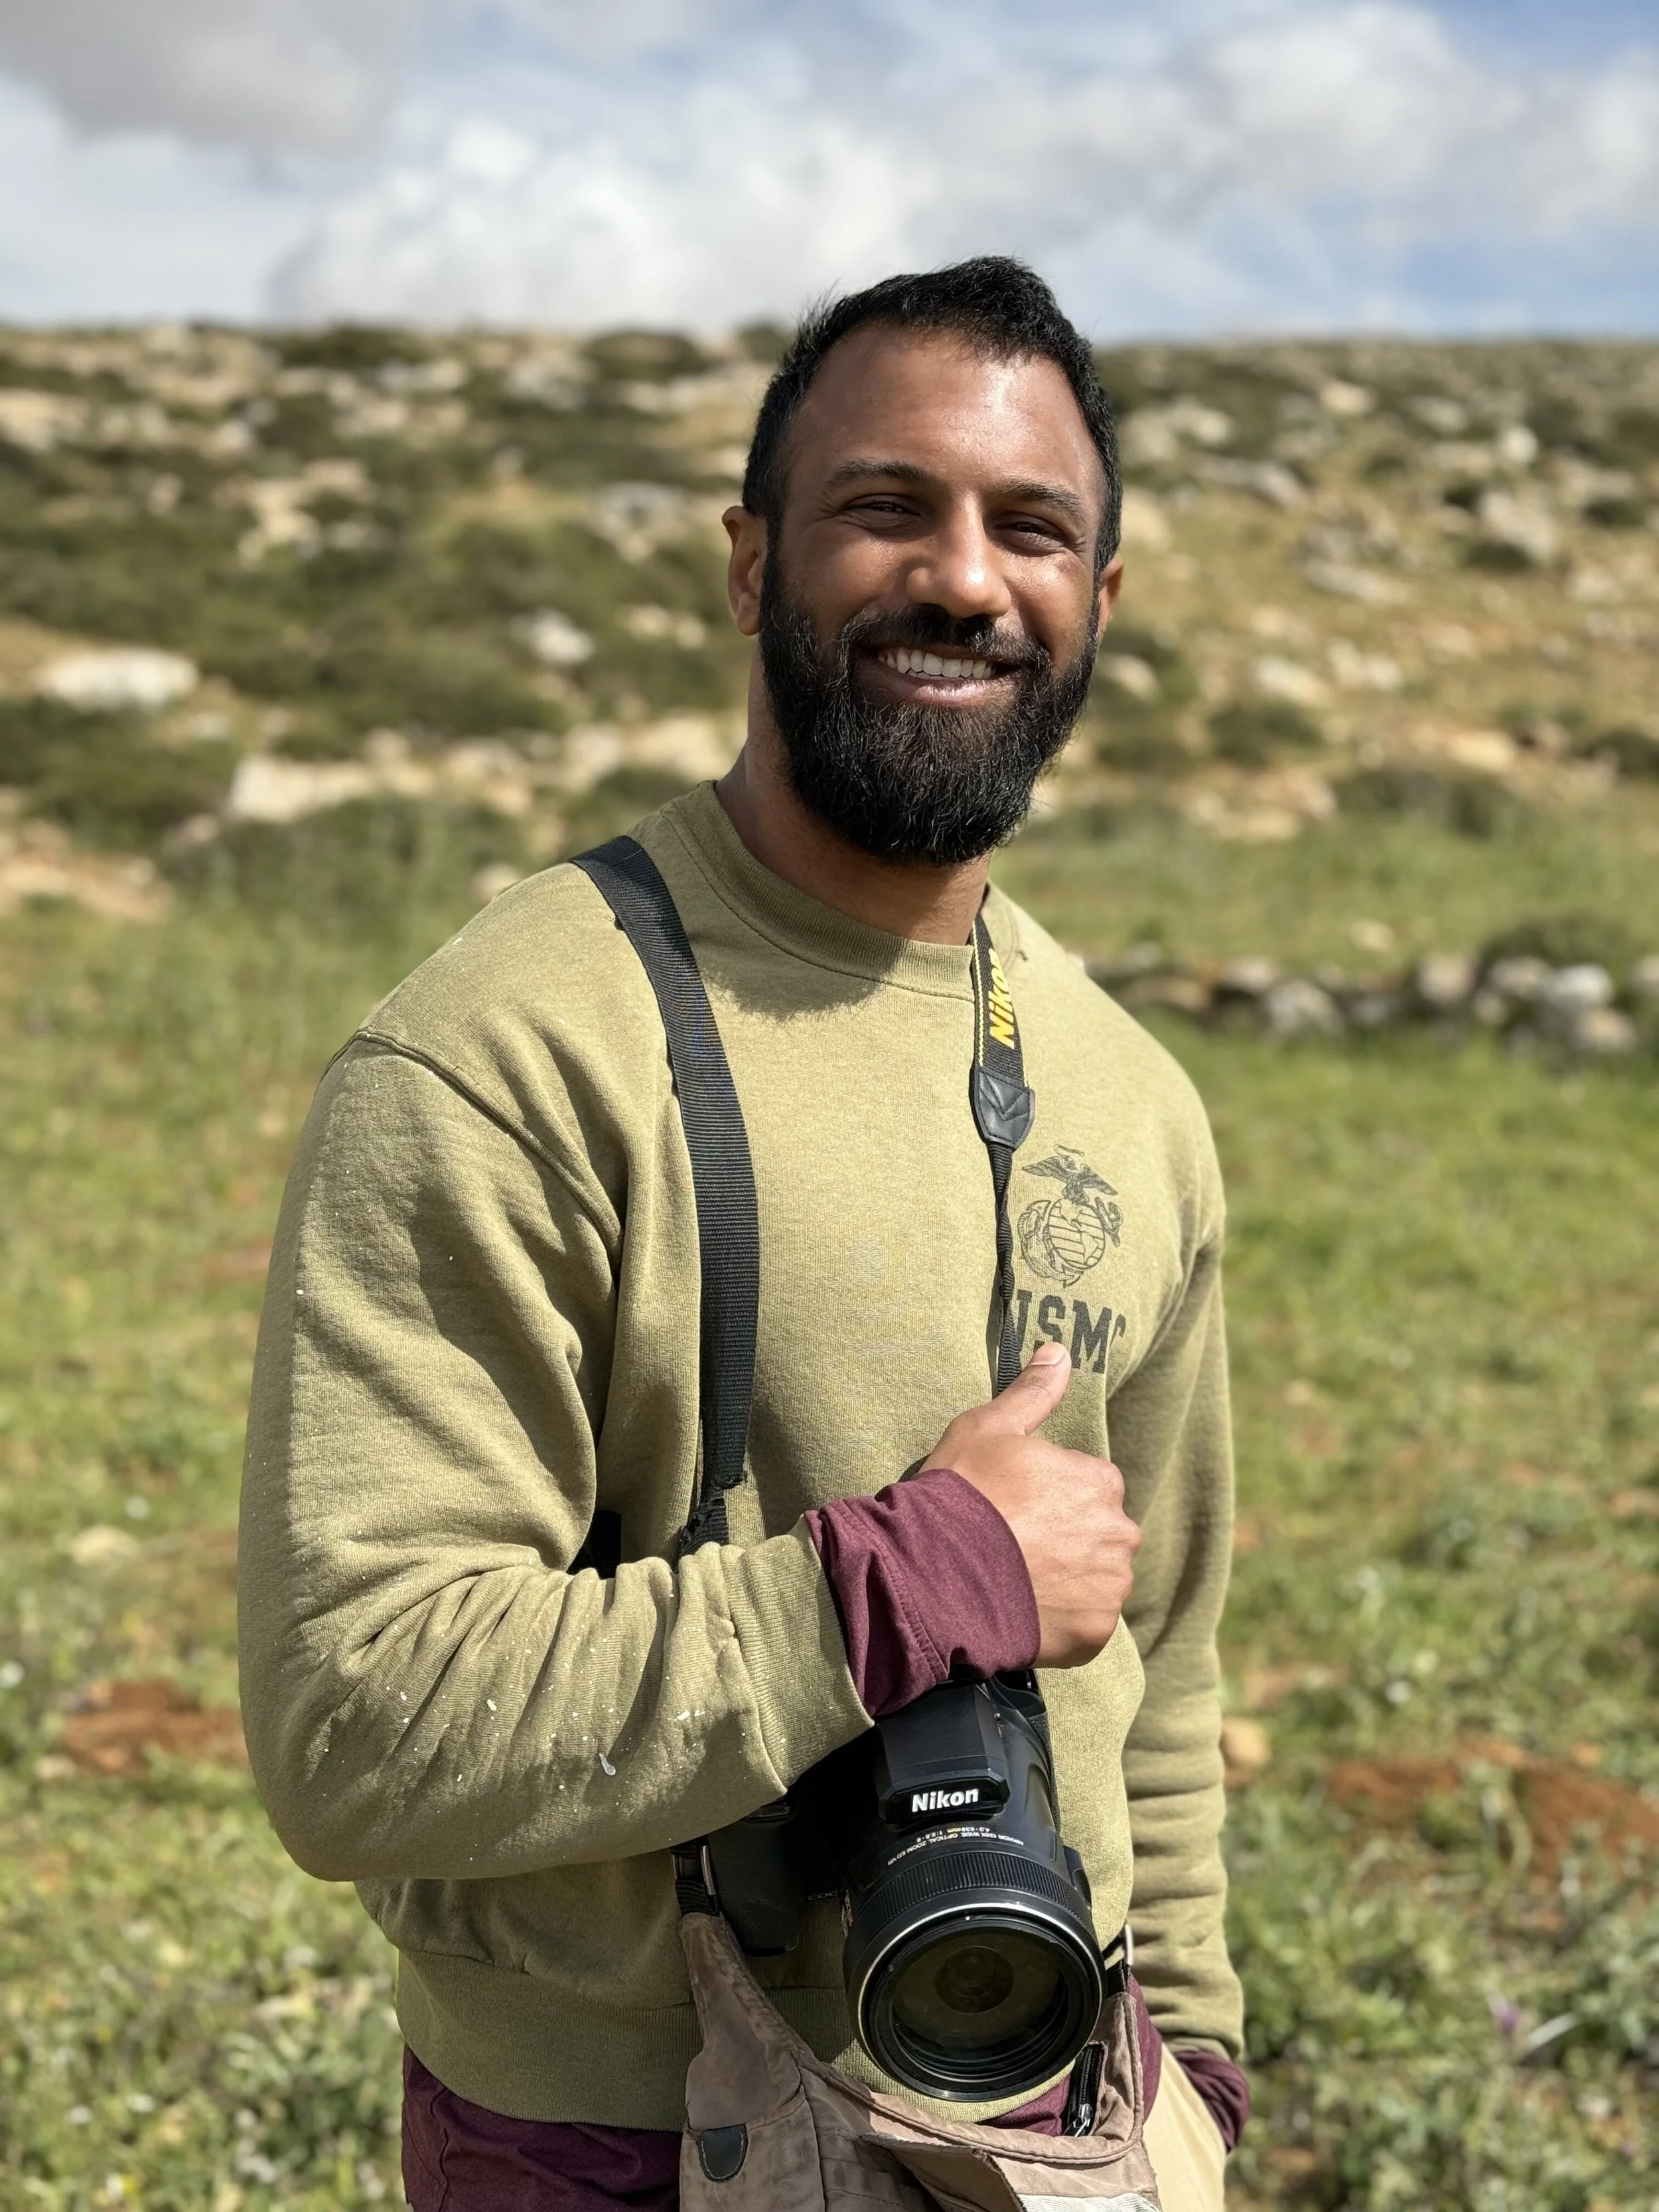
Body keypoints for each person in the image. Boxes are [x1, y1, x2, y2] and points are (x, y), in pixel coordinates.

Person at [239, 256, 1247, 2211]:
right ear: (744, 560)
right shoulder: (508, 1050)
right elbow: (355, 1715)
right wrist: (914, 1578)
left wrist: (1195, 2058)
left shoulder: (1137, 1098)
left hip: (1069, 2123)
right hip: (624, 2135)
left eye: (1030, 527)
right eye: (887, 506)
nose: (964, 576)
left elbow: (1170, 1655)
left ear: (1098, 604)